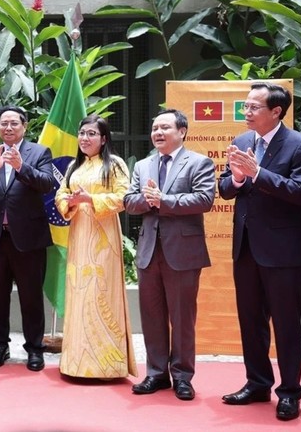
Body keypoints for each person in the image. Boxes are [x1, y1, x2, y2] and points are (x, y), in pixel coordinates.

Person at [218, 82, 301, 421]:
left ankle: (289, 393)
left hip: (282, 251)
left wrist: (257, 173)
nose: (246, 112)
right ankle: (257, 383)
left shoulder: (300, 145)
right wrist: (240, 179)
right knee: (251, 321)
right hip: (245, 247)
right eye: (245, 106)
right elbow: (225, 188)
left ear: (276, 111)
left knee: (286, 324)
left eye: (253, 107)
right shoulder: (243, 142)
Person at [124, 109, 215, 400]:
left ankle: (183, 376)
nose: (157, 133)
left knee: (182, 317)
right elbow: (129, 201)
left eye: (164, 127)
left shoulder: (199, 162)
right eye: (154, 128)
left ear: (182, 132)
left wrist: (164, 200)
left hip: (183, 252)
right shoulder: (144, 165)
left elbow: (204, 199)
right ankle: (156, 374)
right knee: (152, 316)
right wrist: (148, 201)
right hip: (150, 251)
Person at [0, 105, 54, 372]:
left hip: (29, 239)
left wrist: (21, 167)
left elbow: (47, 183)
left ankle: (35, 349)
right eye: (3, 123)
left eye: (13, 123)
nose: (8, 128)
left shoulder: (39, 152)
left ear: (24, 126)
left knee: (31, 297)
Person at [54, 114, 137, 379]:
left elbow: (124, 196)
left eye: (91, 134)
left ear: (103, 139)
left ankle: (107, 365)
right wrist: (70, 201)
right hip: (79, 237)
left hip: (104, 240)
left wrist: (91, 199)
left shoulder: (114, 164)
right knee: (79, 293)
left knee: (101, 292)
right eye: (82, 133)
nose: (85, 139)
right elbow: (60, 195)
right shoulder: (73, 168)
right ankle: (76, 362)